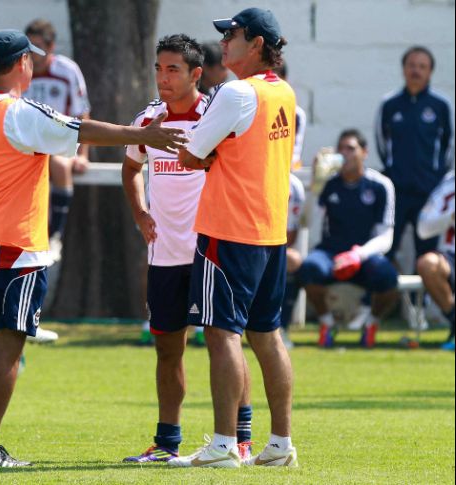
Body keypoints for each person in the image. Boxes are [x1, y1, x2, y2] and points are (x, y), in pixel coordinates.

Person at [0, 29, 187, 468]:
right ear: (20, 64)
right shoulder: (20, 113)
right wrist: (143, 134)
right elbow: (81, 129)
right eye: (30, 59)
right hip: (15, 247)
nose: (33, 65)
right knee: (7, 348)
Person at [170, 7, 298, 469]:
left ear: (258, 44)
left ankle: (224, 444)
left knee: (221, 333)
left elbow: (191, 154)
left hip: (229, 231)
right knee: (268, 336)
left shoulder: (235, 92)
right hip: (269, 232)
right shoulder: (284, 92)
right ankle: (280, 444)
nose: (224, 42)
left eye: (234, 34)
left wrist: (206, 153)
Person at [120, 34, 253, 464]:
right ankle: (166, 442)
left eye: (173, 69)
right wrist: (141, 213)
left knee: (224, 339)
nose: (163, 77)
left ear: (196, 74)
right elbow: (130, 168)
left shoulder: (215, 116)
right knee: (166, 347)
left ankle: (242, 435)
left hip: (211, 247)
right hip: (164, 253)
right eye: (159, 68)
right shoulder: (149, 120)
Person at [295, 129, 397, 349]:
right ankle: (327, 324)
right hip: (331, 252)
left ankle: (370, 324)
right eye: (340, 149)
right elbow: (305, 222)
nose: (345, 154)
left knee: (389, 279)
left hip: (363, 254)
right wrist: (316, 186)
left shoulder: (381, 185)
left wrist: (358, 254)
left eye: (350, 148)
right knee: (308, 268)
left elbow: (385, 236)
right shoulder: (329, 183)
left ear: (364, 152)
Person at [375, 46, 454, 264]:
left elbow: (449, 147)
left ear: (430, 72)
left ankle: (425, 299)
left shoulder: (441, 106)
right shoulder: (390, 104)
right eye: (412, 65)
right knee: (387, 251)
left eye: (422, 66)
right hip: (397, 192)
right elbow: (382, 143)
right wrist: (394, 172)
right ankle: (392, 299)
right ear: (403, 69)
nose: (416, 71)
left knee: (427, 255)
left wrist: (436, 178)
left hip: (429, 193)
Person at [23, 19, 92, 261]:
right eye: (29, 47)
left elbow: (82, 112)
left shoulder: (67, 70)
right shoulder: (20, 70)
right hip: (26, 145)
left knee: (60, 165)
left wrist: (83, 155)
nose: (33, 53)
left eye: (38, 46)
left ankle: (55, 235)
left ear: (51, 47)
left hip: (61, 142)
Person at [416, 170, 455, 351]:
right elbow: (423, 229)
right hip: (452, 255)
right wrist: (450, 217)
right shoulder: (450, 181)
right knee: (428, 264)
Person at [279, 172, 305, 349]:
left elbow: (291, 233)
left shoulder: (292, 184)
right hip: (234, 243)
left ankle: (281, 326)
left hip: (267, 246)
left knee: (292, 259)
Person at [273, 61, 306, 171]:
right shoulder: (254, 108)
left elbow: (295, 153)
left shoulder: (296, 114)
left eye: (274, 79)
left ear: (284, 79)